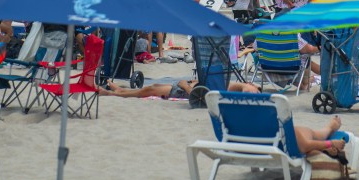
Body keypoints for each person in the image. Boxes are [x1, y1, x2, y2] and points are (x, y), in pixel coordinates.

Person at [99, 79, 261, 100]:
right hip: (186, 87)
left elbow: (201, 97)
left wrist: (186, 85)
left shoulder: (241, 87)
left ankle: (114, 93)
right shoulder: (234, 85)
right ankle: (120, 90)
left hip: (183, 90)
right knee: (152, 87)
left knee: (149, 90)